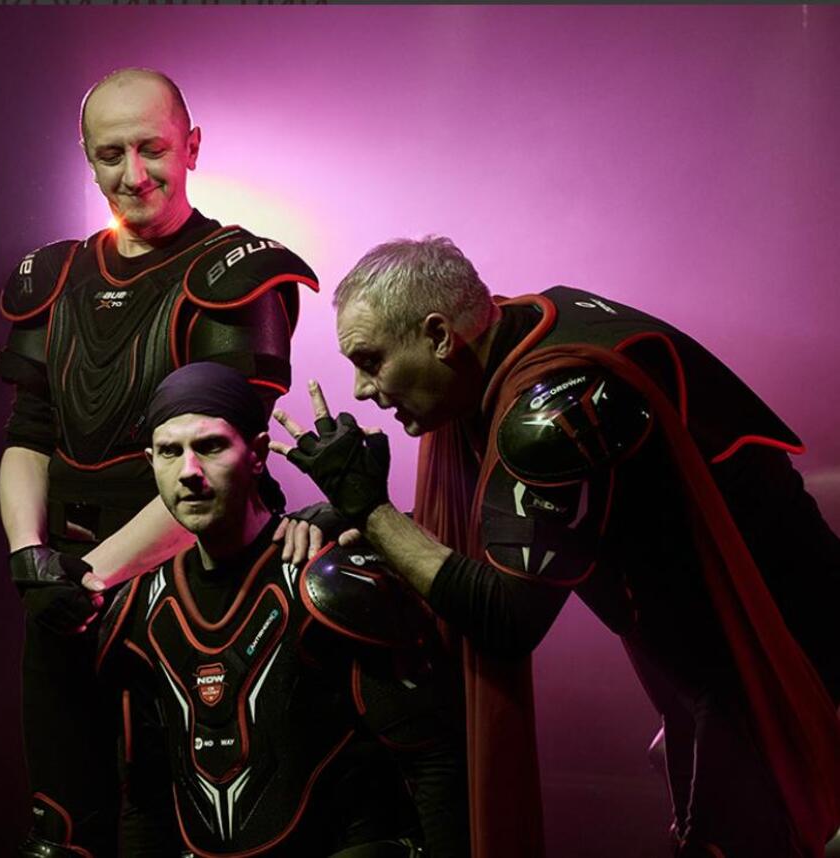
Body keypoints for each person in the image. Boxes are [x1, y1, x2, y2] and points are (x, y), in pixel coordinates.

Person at [270, 236, 840, 858]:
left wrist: (372, 510)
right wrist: (354, 514)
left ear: (438, 336)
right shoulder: (517, 334)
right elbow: (508, 529)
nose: (360, 389)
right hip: (709, 651)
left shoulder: (554, 409)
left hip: (776, 661)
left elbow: (506, 616)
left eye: (370, 360)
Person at [0, 69, 318, 857]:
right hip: (66, 588)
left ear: (192, 146)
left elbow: (217, 465)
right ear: (86, 156)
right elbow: (29, 433)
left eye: (153, 149)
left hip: (201, 590)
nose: (134, 174)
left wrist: (87, 576)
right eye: (112, 154)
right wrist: (31, 559)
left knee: (198, 825)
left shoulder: (236, 274)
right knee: (62, 828)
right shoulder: (53, 277)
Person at [96, 362, 469, 857]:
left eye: (210, 446)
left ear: (256, 454)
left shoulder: (330, 580)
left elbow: (433, 761)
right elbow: (144, 800)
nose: (188, 471)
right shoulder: (139, 610)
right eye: (170, 451)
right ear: (150, 461)